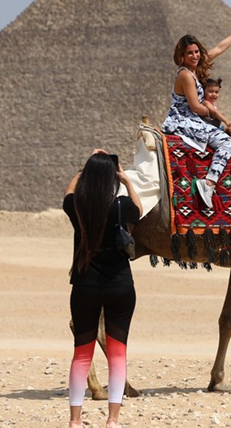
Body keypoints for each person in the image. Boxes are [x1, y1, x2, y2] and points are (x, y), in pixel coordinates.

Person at [63, 150, 142, 428]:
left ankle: (75, 420)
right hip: (120, 286)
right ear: (112, 176)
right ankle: (113, 419)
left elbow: (68, 192)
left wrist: (83, 171)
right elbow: (139, 210)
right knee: (118, 353)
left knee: (81, 353)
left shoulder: (77, 207)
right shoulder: (120, 205)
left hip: (85, 285)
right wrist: (126, 179)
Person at [161, 26, 231, 209]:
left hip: (196, 117)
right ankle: (209, 183)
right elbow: (196, 107)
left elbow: (219, 48)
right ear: (182, 55)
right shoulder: (185, 75)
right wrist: (213, 111)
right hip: (183, 119)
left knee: (224, 130)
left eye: (197, 51)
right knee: (227, 143)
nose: (195, 56)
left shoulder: (196, 68)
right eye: (190, 53)